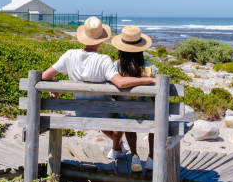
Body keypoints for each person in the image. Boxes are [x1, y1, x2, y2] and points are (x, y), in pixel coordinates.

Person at [41, 17, 155, 159]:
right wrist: (149, 79)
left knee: (121, 112)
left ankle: (118, 148)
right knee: (121, 112)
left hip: (80, 112)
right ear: (101, 39)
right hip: (104, 114)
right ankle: (118, 147)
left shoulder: (69, 55)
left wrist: (53, 86)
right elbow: (120, 83)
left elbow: (45, 76)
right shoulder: (103, 60)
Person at [110, 25, 156, 173]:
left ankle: (135, 156)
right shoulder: (150, 68)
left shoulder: (116, 67)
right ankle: (151, 158)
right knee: (156, 120)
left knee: (127, 116)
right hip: (148, 114)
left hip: (125, 112)